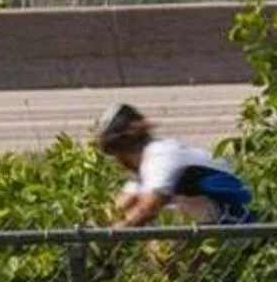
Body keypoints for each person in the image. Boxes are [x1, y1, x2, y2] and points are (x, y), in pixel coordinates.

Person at [95, 104, 254, 268]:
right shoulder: (144, 168)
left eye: (115, 154)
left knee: (162, 251)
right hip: (215, 233)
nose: (117, 163)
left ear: (123, 149)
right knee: (159, 250)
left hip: (239, 227)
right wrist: (96, 226)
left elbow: (147, 208)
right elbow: (118, 206)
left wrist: (108, 237)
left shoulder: (161, 155)